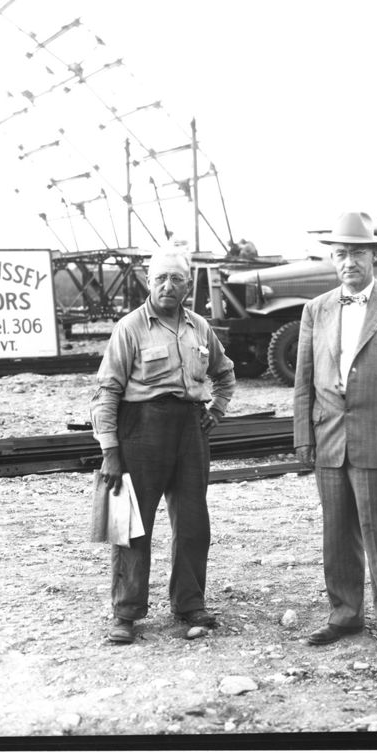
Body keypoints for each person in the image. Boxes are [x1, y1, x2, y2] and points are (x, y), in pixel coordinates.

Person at [293, 211, 377, 657]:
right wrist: (303, 436)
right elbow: (303, 381)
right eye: (341, 253)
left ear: (374, 255)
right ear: (332, 259)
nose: (349, 261)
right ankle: (344, 614)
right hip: (329, 437)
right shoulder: (316, 310)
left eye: (357, 253)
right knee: (337, 532)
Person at [91, 245, 236, 643]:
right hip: (141, 430)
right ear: (147, 281)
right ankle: (126, 613)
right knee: (131, 526)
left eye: (176, 279)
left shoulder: (200, 328)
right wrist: (110, 450)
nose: (167, 286)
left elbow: (225, 374)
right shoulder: (130, 328)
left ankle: (190, 604)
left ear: (188, 285)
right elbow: (106, 391)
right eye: (160, 278)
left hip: (190, 430)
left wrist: (217, 410)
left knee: (193, 524)